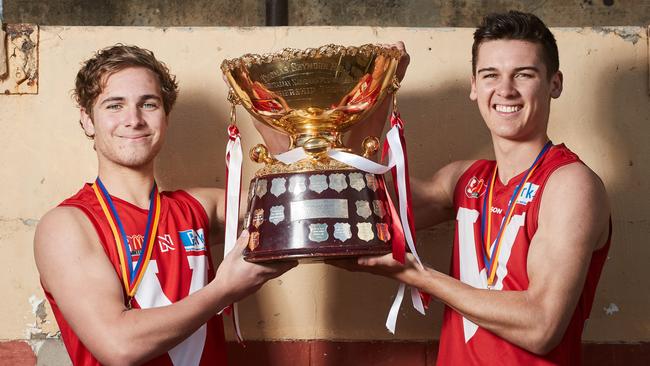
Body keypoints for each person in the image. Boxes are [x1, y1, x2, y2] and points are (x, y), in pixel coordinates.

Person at [332, 11, 611, 365]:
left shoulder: (570, 184)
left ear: (554, 83)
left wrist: (417, 275)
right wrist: (380, 90)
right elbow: (358, 204)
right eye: (491, 75)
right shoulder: (466, 180)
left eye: (523, 74)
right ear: (475, 86)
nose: (505, 90)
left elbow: (542, 326)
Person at [33, 44, 296, 366]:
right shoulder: (68, 225)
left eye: (148, 104)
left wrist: (275, 122)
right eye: (114, 105)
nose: (134, 119)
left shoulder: (197, 207)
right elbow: (118, 346)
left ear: (165, 117)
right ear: (88, 121)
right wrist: (225, 289)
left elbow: (296, 203)